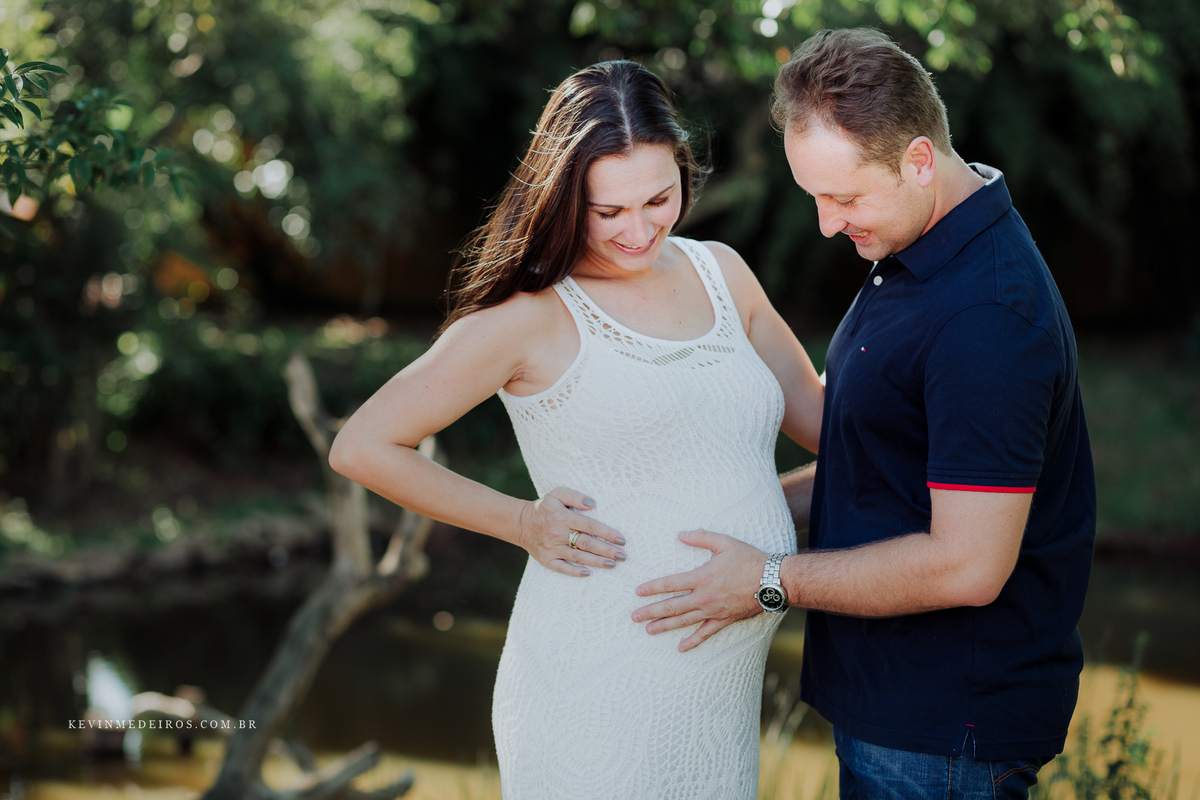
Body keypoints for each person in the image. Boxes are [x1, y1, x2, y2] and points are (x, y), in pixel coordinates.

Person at [328, 60, 825, 798]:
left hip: (717, 694)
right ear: (564, 201)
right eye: (608, 212)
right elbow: (363, 445)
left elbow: (826, 425)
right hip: (598, 684)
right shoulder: (530, 315)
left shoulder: (722, 272)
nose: (639, 229)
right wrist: (523, 522)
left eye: (659, 198)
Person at [632, 28, 1097, 799]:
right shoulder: (914, 246)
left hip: (947, 734)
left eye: (843, 197)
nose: (825, 223)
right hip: (895, 709)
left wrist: (768, 581)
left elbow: (968, 564)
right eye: (814, 197)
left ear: (919, 160)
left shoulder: (986, 315)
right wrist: (722, 511)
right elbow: (881, 462)